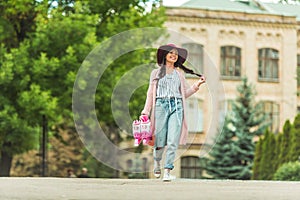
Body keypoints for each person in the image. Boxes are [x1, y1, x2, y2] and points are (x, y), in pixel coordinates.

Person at [141, 44, 206, 181]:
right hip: (160, 106)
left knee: (172, 140)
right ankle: (157, 162)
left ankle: (167, 171)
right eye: (171, 53)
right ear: (165, 55)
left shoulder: (180, 75)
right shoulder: (155, 73)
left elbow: (184, 94)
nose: (174, 55)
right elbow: (150, 94)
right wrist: (145, 112)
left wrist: (197, 85)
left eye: (176, 54)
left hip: (176, 107)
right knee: (159, 140)